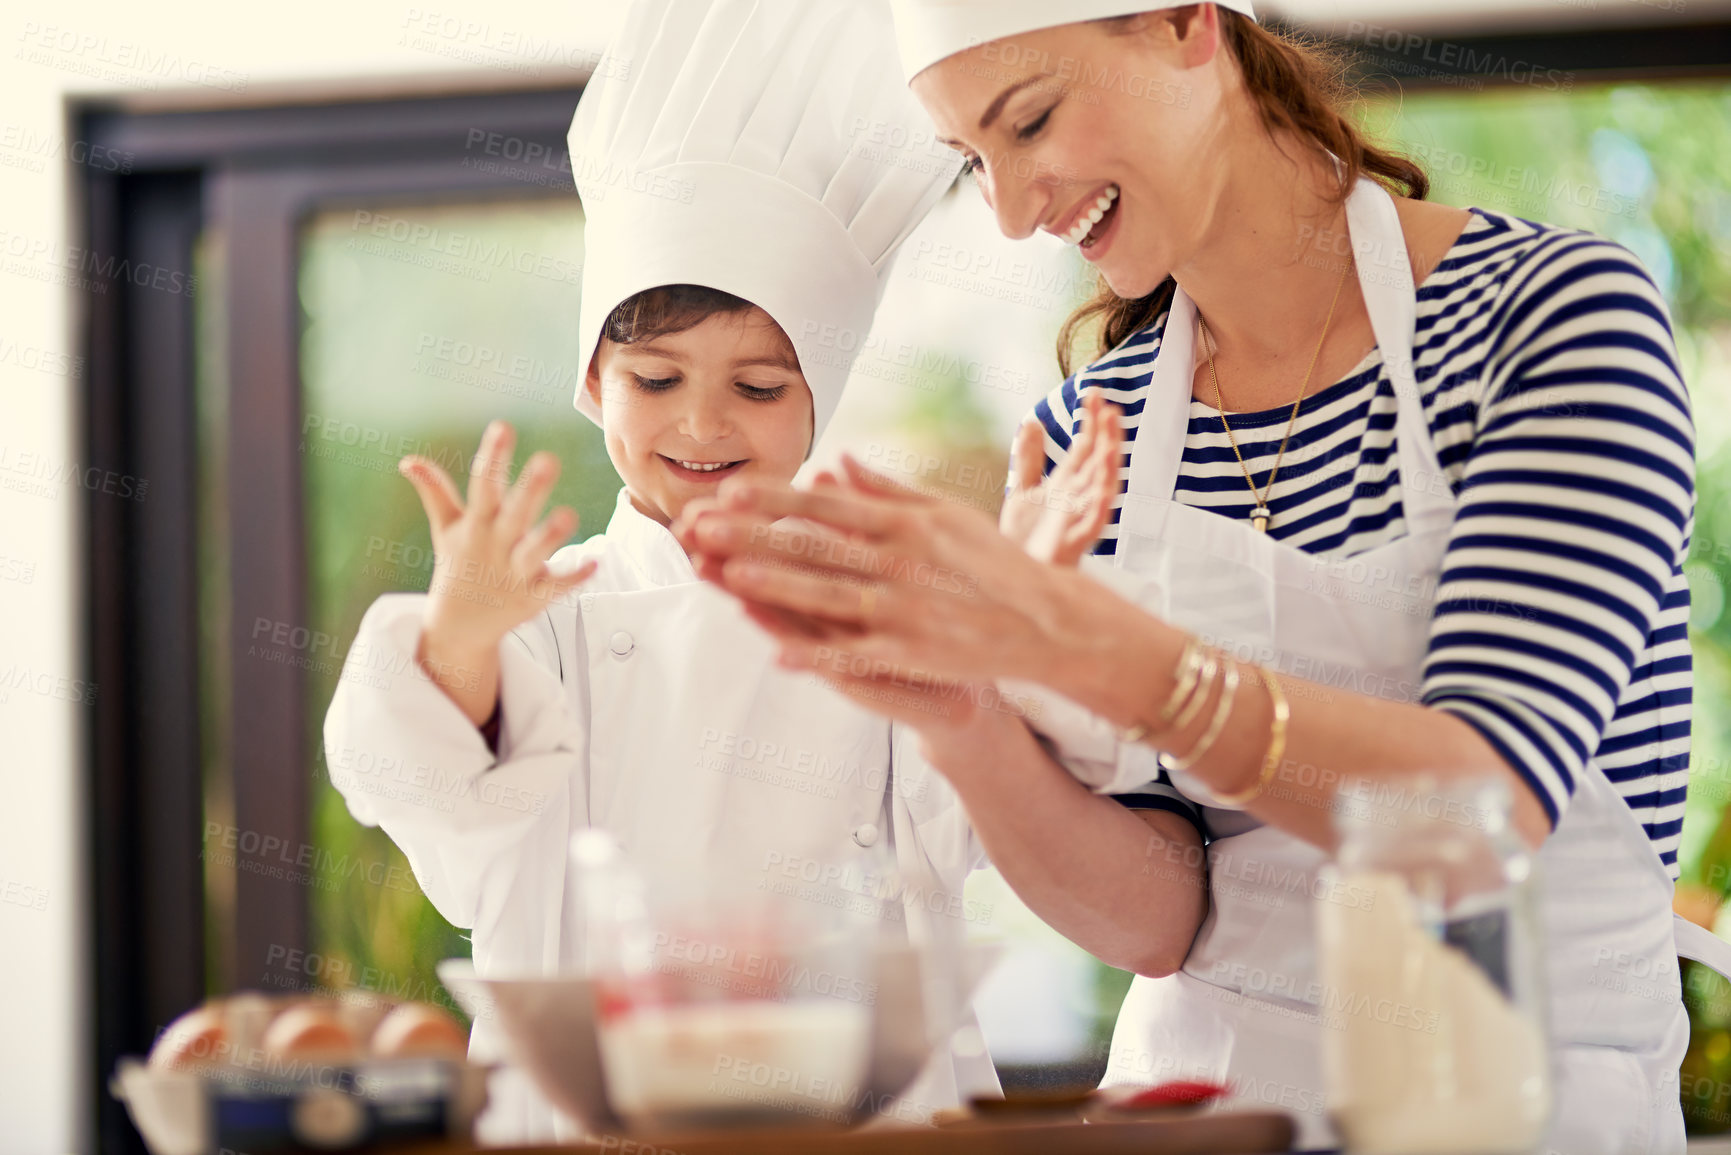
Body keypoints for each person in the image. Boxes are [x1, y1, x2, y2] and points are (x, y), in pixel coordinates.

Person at [673, 2, 1720, 1150]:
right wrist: (960, 711)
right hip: (1208, 1105)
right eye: (973, 162)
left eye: (1030, 121)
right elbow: (1161, 920)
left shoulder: (1551, 319)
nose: (1018, 214)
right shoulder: (1092, 436)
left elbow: (1477, 813)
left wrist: (1071, 644)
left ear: (1186, 25)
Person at [322, 0, 995, 1142]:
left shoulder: (878, 597)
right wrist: (462, 640)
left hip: (857, 1109)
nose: (704, 423)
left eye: (760, 387)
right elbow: (438, 816)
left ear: (819, 399)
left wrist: (1005, 635)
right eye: (656, 379)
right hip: (590, 1116)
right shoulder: (553, 611)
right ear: (594, 383)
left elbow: (967, 833)